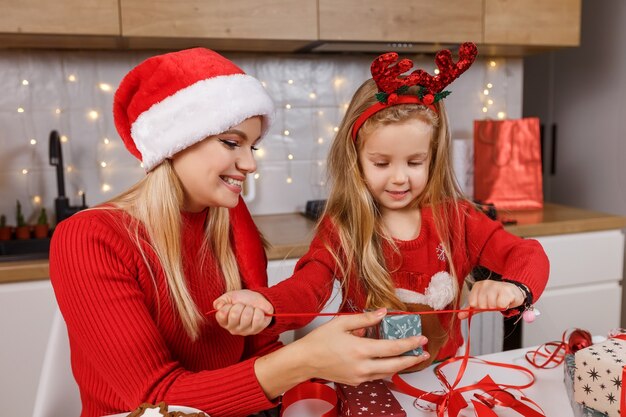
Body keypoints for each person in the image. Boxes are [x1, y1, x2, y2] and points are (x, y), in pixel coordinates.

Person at [49, 48, 429, 417]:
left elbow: (262, 340)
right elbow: (155, 402)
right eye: (231, 142)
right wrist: (303, 359)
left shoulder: (229, 222)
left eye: (252, 146)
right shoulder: (89, 238)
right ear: (174, 142)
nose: (249, 164)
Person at [214, 43, 550, 368]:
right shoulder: (343, 227)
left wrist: (515, 287)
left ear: (433, 158)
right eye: (382, 163)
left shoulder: (457, 218)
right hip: (367, 378)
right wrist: (267, 303)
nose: (400, 178)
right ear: (356, 159)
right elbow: (309, 288)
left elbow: (527, 254)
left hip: (443, 374)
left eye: (415, 163)